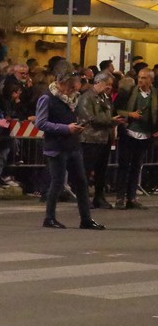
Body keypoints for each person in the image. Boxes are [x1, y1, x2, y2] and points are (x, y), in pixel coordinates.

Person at [36, 69, 105, 230]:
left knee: (81, 182)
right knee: (57, 182)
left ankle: (86, 219)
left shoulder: (72, 100)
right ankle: (49, 218)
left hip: (72, 145)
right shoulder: (47, 98)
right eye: (70, 88)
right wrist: (65, 128)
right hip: (56, 147)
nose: (73, 91)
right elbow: (41, 123)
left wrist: (78, 125)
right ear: (61, 84)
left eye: (75, 88)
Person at [112, 67, 157, 209]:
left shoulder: (155, 94)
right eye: (139, 77)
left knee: (137, 166)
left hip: (145, 135)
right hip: (128, 133)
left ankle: (132, 197)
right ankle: (120, 197)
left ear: (151, 80)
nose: (140, 80)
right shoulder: (128, 92)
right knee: (124, 165)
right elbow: (116, 109)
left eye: (144, 78)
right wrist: (130, 114)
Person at [77, 71, 123, 209]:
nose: (109, 87)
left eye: (111, 85)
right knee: (86, 170)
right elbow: (89, 117)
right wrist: (110, 121)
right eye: (107, 84)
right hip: (90, 139)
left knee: (101, 170)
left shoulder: (105, 98)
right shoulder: (87, 97)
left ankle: (99, 196)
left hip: (104, 138)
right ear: (98, 82)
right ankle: (83, 198)